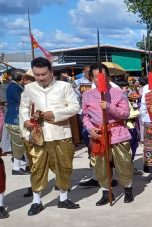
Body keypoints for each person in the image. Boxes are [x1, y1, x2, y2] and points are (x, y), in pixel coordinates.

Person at [19, 57, 81, 216]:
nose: (40, 78)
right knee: (37, 167)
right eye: (37, 75)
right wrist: (26, 120)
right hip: (38, 135)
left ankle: (63, 198)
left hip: (60, 133)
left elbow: (75, 107)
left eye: (43, 74)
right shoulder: (29, 88)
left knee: (64, 166)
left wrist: (54, 114)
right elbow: (23, 107)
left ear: (51, 71)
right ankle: (36, 201)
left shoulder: (64, 86)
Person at [82, 63, 135, 205]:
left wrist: (110, 106)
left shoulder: (118, 93)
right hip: (98, 134)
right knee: (100, 165)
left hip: (117, 133)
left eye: (104, 76)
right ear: (91, 78)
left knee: (124, 162)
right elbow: (85, 116)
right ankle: (106, 191)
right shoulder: (87, 95)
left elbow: (125, 113)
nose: (101, 79)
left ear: (108, 76)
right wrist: (90, 129)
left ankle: (128, 189)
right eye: (97, 77)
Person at [5, 69, 30, 175]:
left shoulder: (14, 86)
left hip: (16, 119)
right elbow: (22, 101)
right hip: (14, 120)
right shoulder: (14, 87)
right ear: (23, 78)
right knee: (20, 144)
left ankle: (27, 165)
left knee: (24, 144)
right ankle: (16, 167)